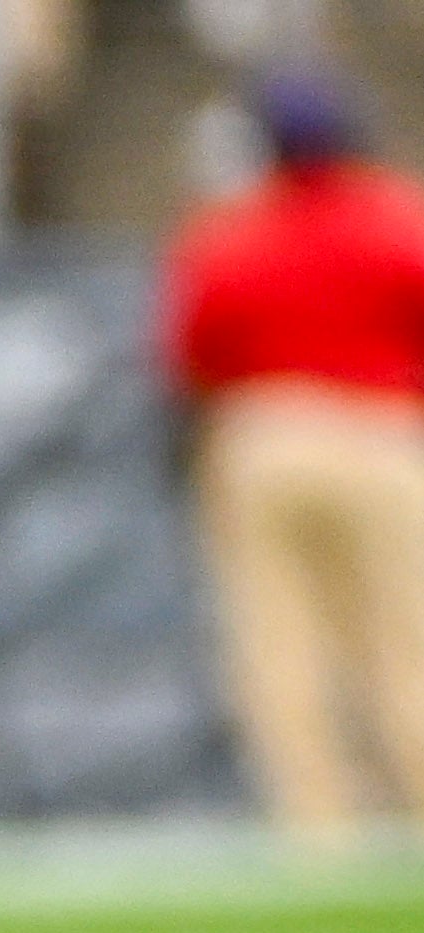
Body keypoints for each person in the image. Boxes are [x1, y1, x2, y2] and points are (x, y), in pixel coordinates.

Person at [158, 68, 424, 841]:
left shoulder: (230, 229)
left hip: (264, 436)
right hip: (380, 434)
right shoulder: (397, 218)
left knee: (281, 648)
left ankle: (319, 836)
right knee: (403, 637)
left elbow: (191, 353)